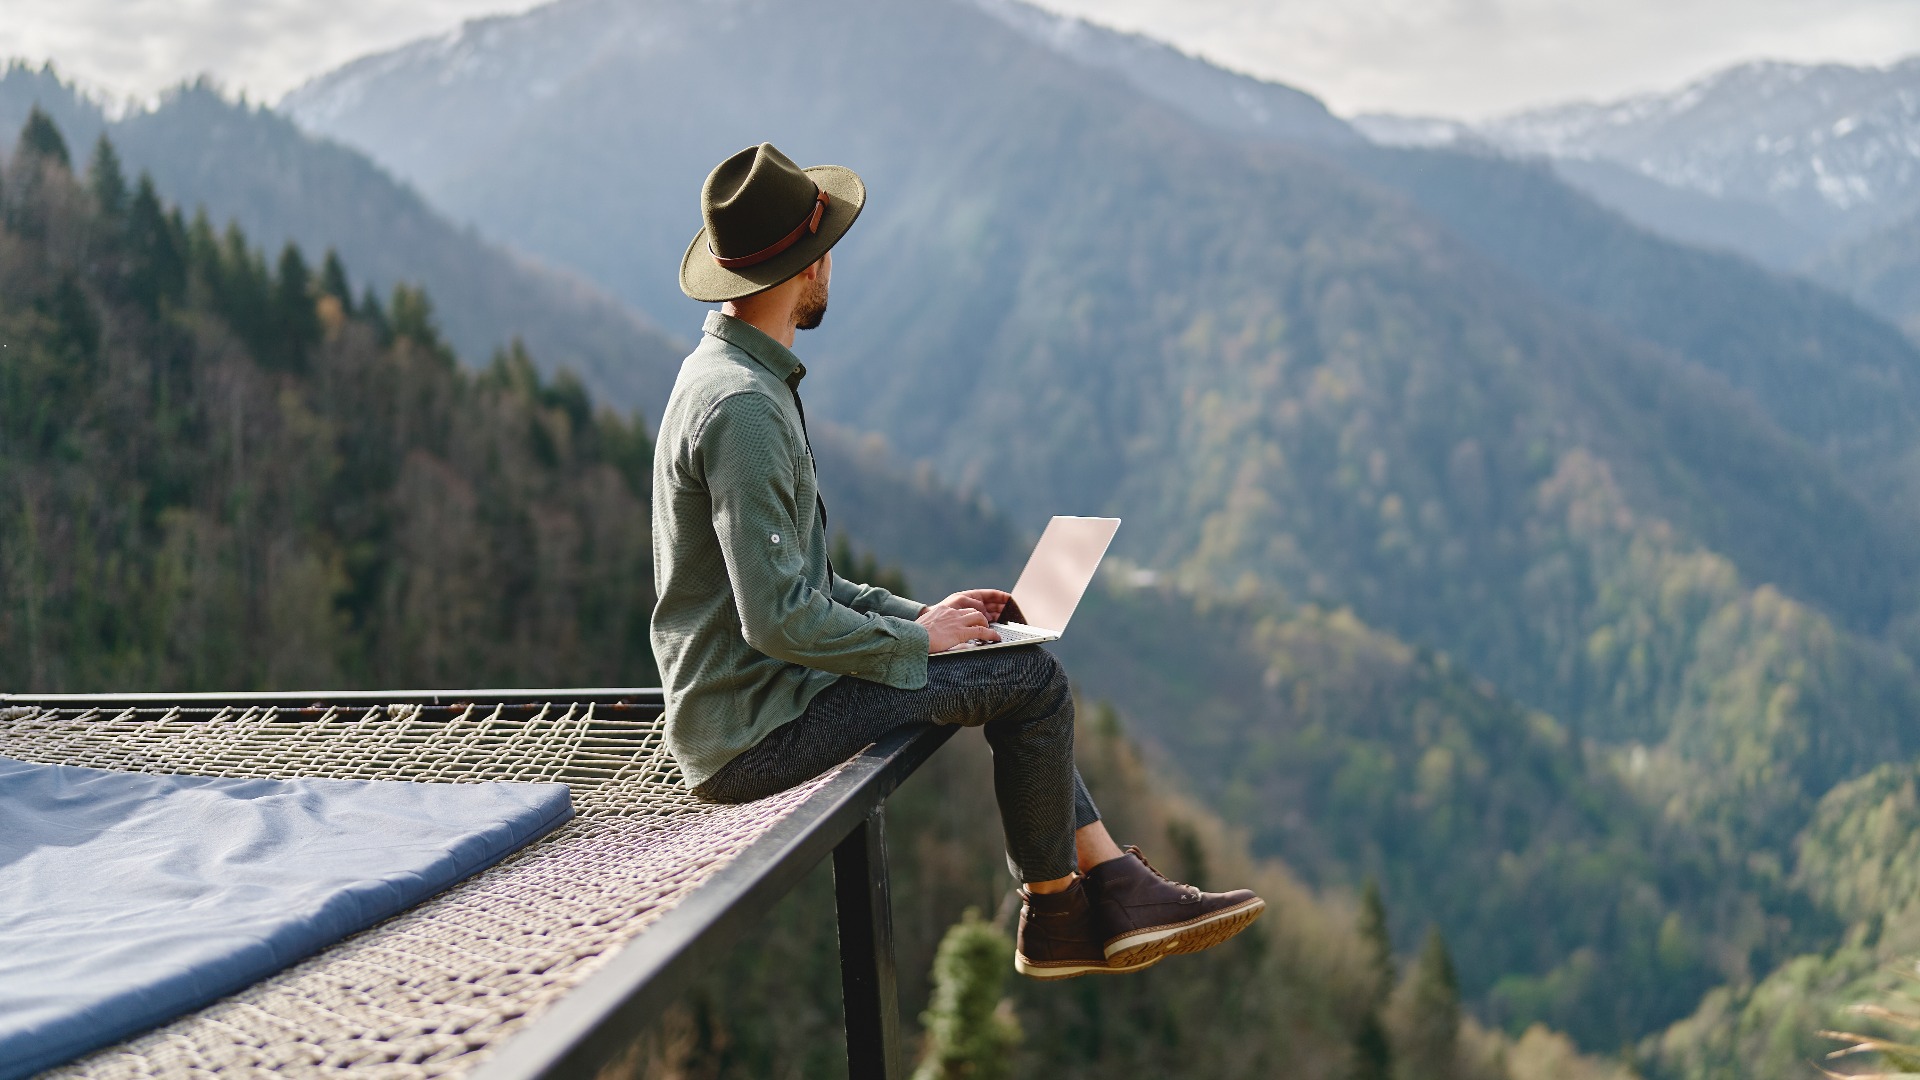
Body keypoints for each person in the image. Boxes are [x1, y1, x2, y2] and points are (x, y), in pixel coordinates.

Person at [651, 142, 1265, 978]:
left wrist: (931, 620)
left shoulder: (731, 376)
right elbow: (777, 619)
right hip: (753, 735)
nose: (833, 263)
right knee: (1033, 682)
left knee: (1007, 655)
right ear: (807, 264)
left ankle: (1104, 886)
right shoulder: (744, 409)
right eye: (826, 246)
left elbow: (810, 586)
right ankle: (1058, 912)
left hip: (760, 704)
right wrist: (917, 647)